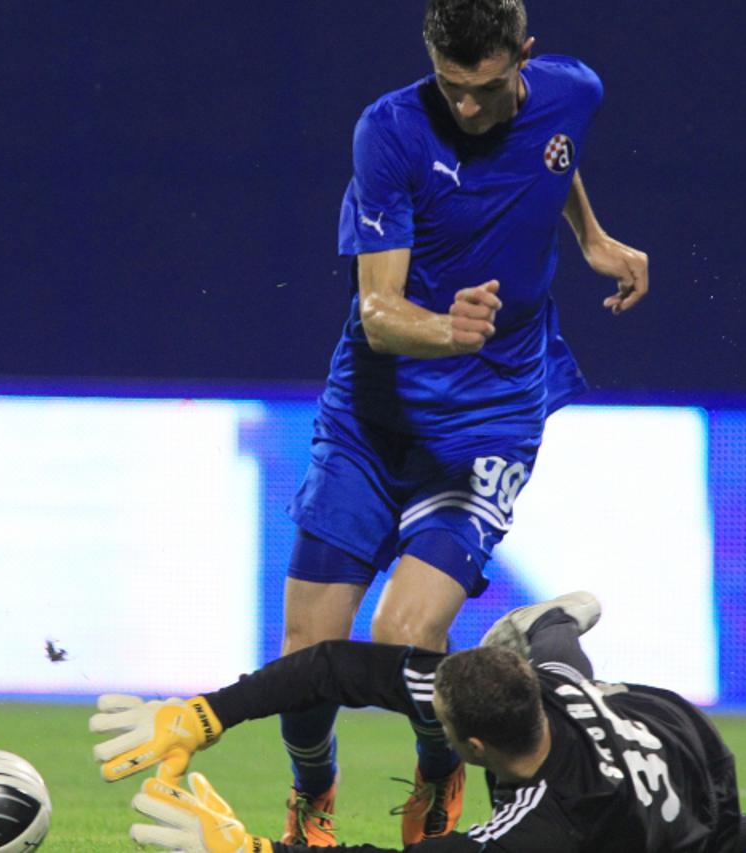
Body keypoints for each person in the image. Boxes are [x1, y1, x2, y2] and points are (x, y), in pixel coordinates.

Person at [279, 0, 650, 843]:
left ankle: (442, 769)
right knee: (307, 657)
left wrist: (591, 234)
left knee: (408, 631)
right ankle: (314, 788)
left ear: (524, 56)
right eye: (452, 87)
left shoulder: (573, 91)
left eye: (484, 89)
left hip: (491, 422)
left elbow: (554, 158)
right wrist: (447, 328)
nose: (468, 109)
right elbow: (377, 311)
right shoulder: (392, 132)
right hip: (373, 423)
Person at [91, 592, 746, 852]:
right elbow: (329, 667)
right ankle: (551, 622)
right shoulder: (530, 687)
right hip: (661, 713)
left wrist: (253, 848)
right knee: (563, 658)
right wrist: (204, 713)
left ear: (471, 747)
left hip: (691, 782)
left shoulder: (548, 828)